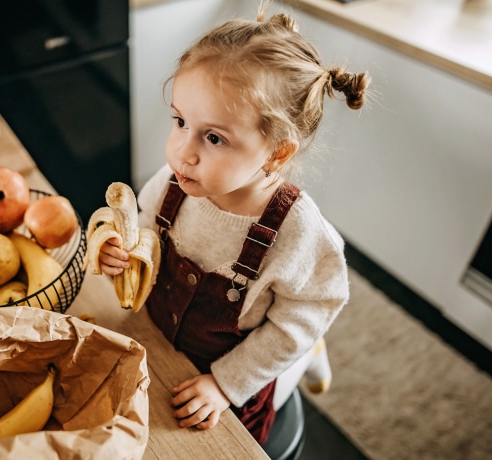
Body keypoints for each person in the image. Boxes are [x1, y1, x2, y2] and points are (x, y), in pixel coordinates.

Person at [97, 0, 370, 446]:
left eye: (214, 137)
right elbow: (145, 238)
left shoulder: (297, 233)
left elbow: (304, 315)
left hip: (224, 386)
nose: (183, 152)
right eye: (180, 120)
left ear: (278, 153)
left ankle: (302, 366)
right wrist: (120, 255)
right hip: (157, 343)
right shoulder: (172, 184)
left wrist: (225, 384)